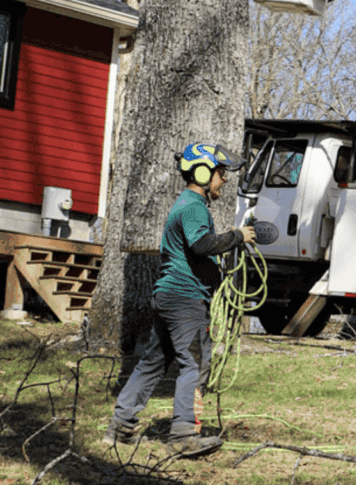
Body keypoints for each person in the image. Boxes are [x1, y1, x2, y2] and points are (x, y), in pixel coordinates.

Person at [103, 142, 256, 457]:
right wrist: (238, 236)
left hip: (170, 297)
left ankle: (120, 426)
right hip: (185, 300)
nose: (224, 179)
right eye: (220, 173)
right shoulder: (193, 206)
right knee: (195, 365)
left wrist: (221, 250)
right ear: (202, 173)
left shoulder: (187, 204)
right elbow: (201, 245)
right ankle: (185, 433)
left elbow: (197, 250)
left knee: (154, 361)